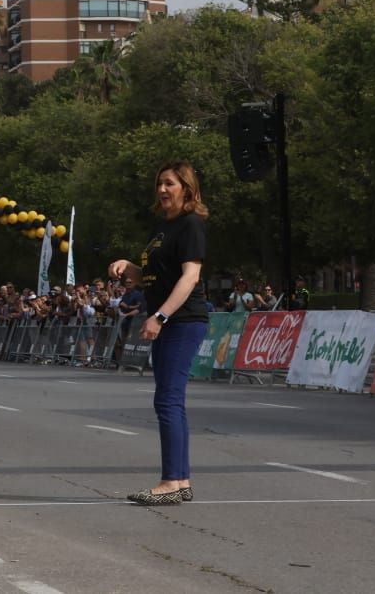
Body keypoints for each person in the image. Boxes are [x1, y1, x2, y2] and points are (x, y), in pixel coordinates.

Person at [109, 160, 209, 506]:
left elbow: (189, 277)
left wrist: (160, 316)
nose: (162, 190)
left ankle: (171, 481)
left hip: (183, 321)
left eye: (170, 183)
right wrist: (129, 267)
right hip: (170, 320)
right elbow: (155, 274)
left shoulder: (191, 224)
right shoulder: (163, 229)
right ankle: (180, 480)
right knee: (169, 400)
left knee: (167, 399)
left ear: (186, 187)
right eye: (159, 184)